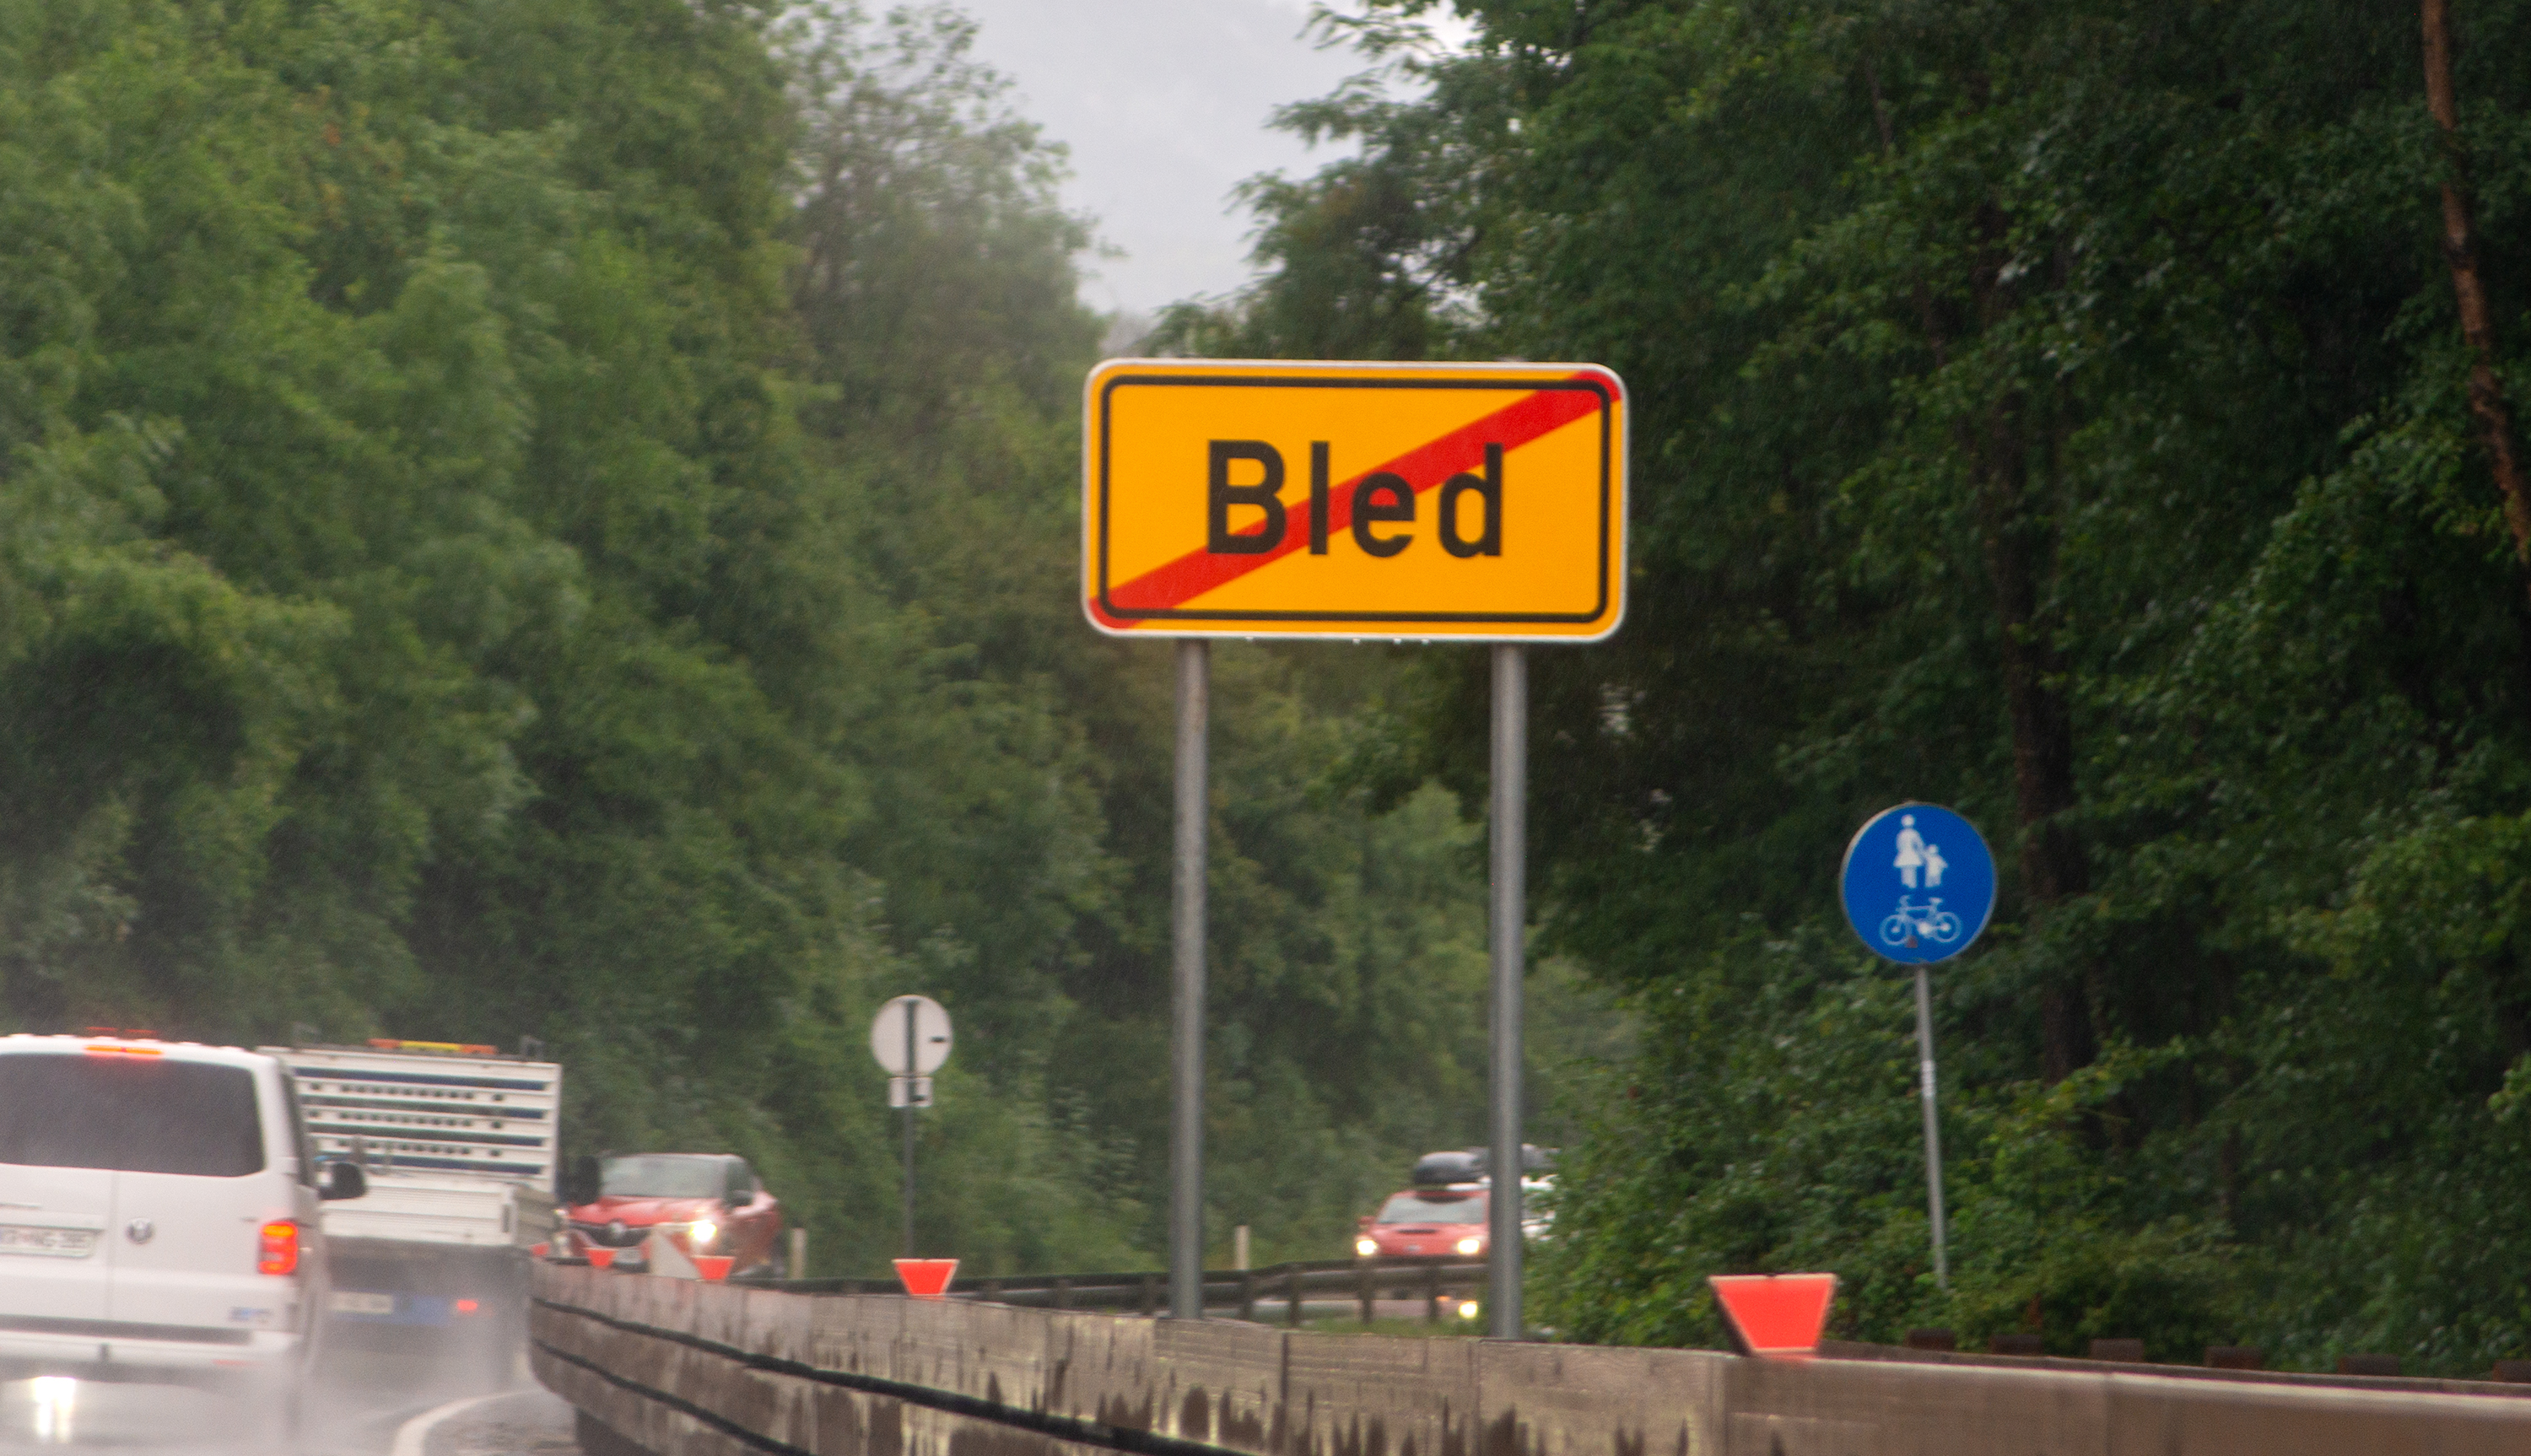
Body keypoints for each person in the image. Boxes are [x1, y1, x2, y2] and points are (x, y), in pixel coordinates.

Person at [1893, 814, 1925, 888]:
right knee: (1911, 874)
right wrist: (1922, 853)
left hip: (1904, 855)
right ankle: (1910, 888)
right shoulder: (1914, 833)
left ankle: (1906, 887)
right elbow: (1920, 845)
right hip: (1912, 855)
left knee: (1905, 873)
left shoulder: (1901, 834)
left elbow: (1898, 846)